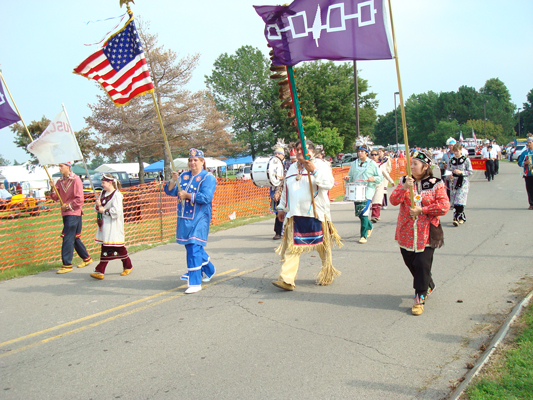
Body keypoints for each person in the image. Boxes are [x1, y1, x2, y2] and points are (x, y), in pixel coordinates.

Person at [272, 140, 342, 291]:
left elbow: (328, 184)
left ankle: (327, 272)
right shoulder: (291, 168)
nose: (298, 152)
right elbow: (286, 189)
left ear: (310, 151)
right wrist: (282, 208)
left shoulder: (320, 165)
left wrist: (314, 171)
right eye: (296, 149)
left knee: (323, 246)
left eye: (301, 149)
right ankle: (287, 279)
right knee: (292, 247)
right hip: (295, 214)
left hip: (316, 213)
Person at [390, 150, 450, 315]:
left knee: (422, 263)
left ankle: (419, 297)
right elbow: (394, 201)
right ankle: (427, 284)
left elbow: (444, 206)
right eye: (411, 163)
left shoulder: (436, 183)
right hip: (406, 231)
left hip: (427, 231)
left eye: (416, 163)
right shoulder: (404, 180)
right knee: (411, 262)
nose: (412, 166)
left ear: (425, 167)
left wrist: (422, 210)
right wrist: (404, 188)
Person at [164, 148, 217, 294]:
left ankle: (194, 282)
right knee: (191, 246)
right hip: (183, 217)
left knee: (194, 246)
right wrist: (173, 180)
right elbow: (170, 191)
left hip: (200, 217)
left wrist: (187, 195)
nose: (192, 163)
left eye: (195, 160)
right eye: (190, 160)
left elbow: (206, 198)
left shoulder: (208, 178)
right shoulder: (184, 176)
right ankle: (209, 269)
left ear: (202, 161)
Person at [50, 161, 93, 274]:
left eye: (61, 166)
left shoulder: (76, 180)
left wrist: (68, 206)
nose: (59, 168)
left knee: (67, 237)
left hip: (74, 213)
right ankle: (86, 258)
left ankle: (67, 264)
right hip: (66, 213)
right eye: (58, 166)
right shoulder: (59, 181)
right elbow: (55, 197)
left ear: (68, 167)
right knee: (74, 237)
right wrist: (52, 188)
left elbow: (80, 199)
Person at [89, 175, 133, 279]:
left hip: (113, 225)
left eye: (104, 183)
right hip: (105, 225)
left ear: (110, 183)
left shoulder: (117, 195)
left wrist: (103, 210)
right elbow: (98, 208)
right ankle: (101, 270)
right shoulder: (102, 193)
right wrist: (97, 205)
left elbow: (117, 212)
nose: (102, 184)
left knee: (116, 246)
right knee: (107, 246)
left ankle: (126, 266)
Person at [344, 143, 382, 244]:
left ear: (366, 153)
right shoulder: (354, 163)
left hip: (367, 191)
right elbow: (351, 176)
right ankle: (369, 226)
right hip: (356, 191)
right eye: (359, 151)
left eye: (362, 151)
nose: (360, 153)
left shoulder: (372, 164)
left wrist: (373, 178)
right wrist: (347, 179)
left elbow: (380, 177)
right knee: (359, 213)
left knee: (364, 212)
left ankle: (363, 235)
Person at [447, 143, 473, 226]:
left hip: (463, 182)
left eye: (457, 151)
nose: (456, 153)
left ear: (461, 150)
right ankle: (462, 217)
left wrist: (462, 172)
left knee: (460, 200)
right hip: (454, 182)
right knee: (455, 201)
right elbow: (448, 171)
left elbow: (470, 171)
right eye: (454, 152)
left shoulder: (466, 160)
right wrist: (449, 175)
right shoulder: (451, 160)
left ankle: (456, 218)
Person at [370, 148, 395, 222]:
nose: (374, 156)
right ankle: (372, 215)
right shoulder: (368, 165)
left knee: (377, 200)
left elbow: (385, 173)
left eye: (375, 154)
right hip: (370, 185)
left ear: (378, 156)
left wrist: (391, 181)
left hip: (379, 185)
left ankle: (375, 216)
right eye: (372, 155)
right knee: (372, 201)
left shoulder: (381, 165)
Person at [270, 143, 286, 240]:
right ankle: (278, 232)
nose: (276, 156)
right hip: (276, 191)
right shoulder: (272, 165)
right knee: (278, 212)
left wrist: (284, 177)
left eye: (278, 154)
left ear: (283, 155)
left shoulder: (288, 164)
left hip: (287, 191)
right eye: (275, 154)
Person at [517, 137, 533, 210]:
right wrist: (525, 163)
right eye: (528, 143)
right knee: (529, 189)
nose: (528, 144)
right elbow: (519, 163)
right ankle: (531, 204)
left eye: (530, 142)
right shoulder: (525, 153)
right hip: (528, 174)